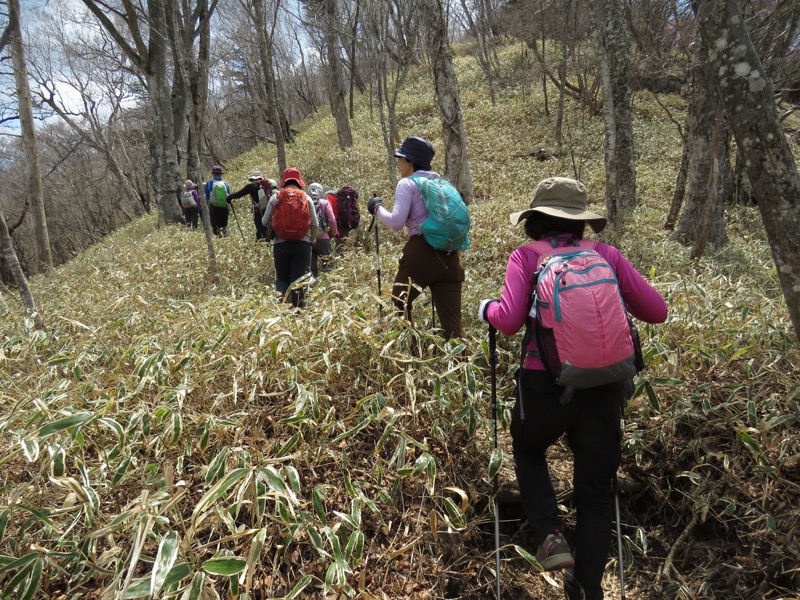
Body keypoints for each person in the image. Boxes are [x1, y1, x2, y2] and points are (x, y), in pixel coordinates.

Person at [477, 177, 668, 600]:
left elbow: (507, 322)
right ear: (580, 221)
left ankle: (550, 536)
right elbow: (657, 311)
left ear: (535, 220)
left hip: (544, 383)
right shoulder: (607, 255)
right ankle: (586, 590)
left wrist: (485, 308)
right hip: (604, 387)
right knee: (596, 497)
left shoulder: (526, 257)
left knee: (528, 451)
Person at [367, 136, 465, 340]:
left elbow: (395, 223)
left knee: (398, 306)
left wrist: (377, 207)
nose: (399, 163)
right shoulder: (441, 182)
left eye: (401, 159)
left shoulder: (407, 183)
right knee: (453, 325)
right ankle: (461, 366)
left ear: (410, 161)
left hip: (421, 251)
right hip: (450, 255)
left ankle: (408, 359)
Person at [261, 168, 319, 308]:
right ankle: (298, 312)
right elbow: (315, 224)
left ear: (284, 181)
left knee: (281, 279)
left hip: (280, 244)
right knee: (298, 279)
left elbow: (263, 222)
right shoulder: (306, 197)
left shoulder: (276, 197)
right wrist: (311, 239)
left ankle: (281, 310)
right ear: (299, 182)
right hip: (302, 244)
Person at [226, 171, 273, 241]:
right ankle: (258, 246)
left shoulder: (252, 186)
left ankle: (265, 244)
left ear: (252, 179)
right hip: (270, 211)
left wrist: (229, 197)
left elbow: (239, 194)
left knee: (262, 231)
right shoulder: (267, 185)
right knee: (263, 230)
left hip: (259, 212)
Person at [308, 182, 338, 276]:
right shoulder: (325, 202)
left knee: (310, 268)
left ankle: (311, 288)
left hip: (308, 239)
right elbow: (332, 220)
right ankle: (328, 286)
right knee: (328, 264)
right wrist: (334, 231)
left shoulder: (305, 201)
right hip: (323, 238)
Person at [204, 165, 232, 236]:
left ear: (213, 174)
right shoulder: (226, 184)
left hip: (214, 207)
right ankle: (226, 240)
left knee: (216, 227)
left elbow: (206, 196)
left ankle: (218, 241)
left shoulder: (209, 184)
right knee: (224, 226)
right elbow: (229, 195)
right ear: (221, 174)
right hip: (224, 207)